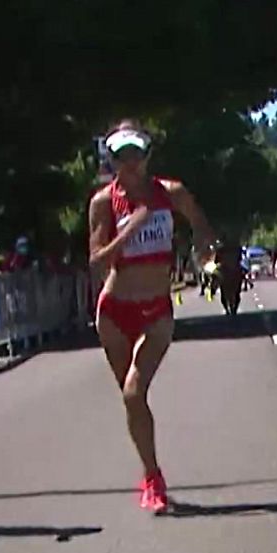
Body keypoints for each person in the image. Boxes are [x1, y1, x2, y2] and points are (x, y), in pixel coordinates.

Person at [87, 120, 215, 513]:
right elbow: (96, 261)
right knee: (133, 402)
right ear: (111, 159)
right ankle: (151, 475)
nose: (130, 162)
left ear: (147, 156)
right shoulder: (104, 202)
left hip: (156, 309)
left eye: (136, 153)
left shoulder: (170, 193)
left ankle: (153, 480)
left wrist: (203, 251)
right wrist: (129, 230)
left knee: (133, 391)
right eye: (121, 155)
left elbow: (200, 225)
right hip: (115, 309)